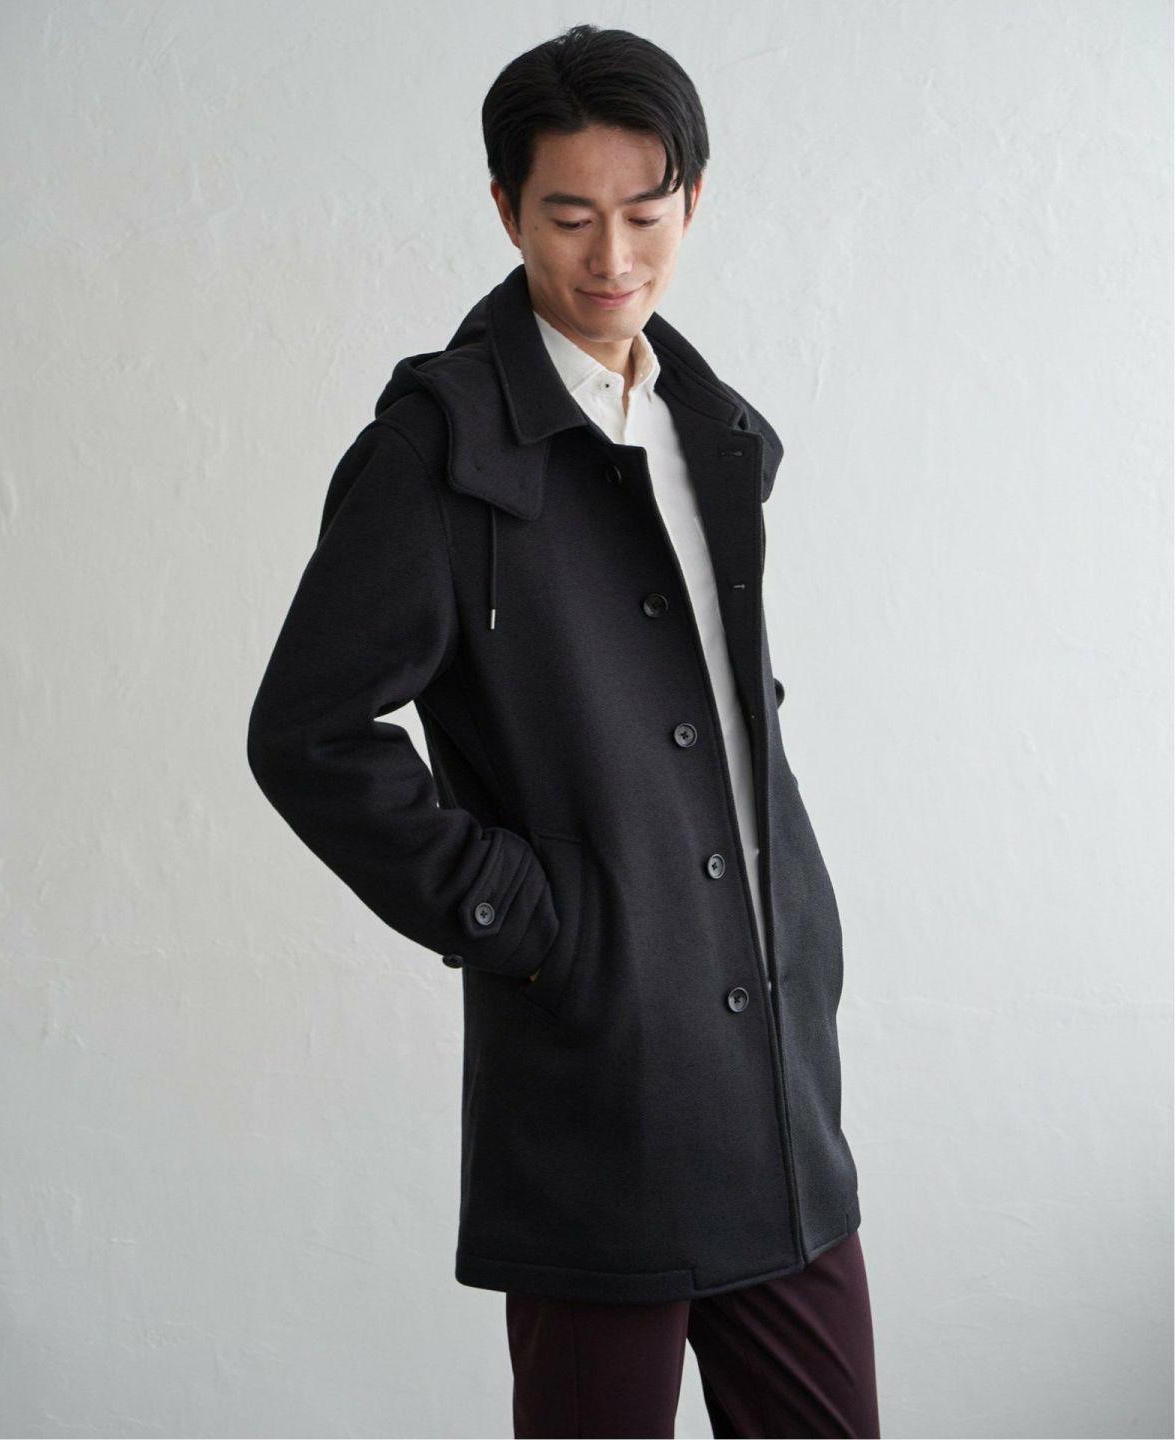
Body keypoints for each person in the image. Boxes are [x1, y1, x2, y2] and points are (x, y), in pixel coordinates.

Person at [248, 22, 879, 1438]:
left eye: (645, 215)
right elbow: (307, 733)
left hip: (777, 1073)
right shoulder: (440, 449)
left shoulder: (712, 432)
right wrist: (534, 917)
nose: (612, 259)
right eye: (569, 216)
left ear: (692, 203)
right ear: (505, 209)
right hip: (598, 1083)